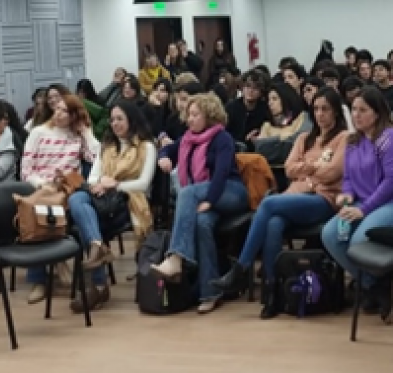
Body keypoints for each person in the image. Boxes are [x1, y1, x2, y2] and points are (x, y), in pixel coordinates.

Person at [211, 87, 350, 318]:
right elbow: (288, 168)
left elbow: (334, 172)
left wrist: (305, 171)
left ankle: (241, 269)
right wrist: (313, 170)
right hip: (294, 198)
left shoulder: (343, 138)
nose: (320, 113)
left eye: (325, 108)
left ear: (336, 111)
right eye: (315, 108)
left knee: (267, 205)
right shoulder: (305, 138)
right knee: (274, 222)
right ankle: (272, 294)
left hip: (323, 201)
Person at [320, 87, 393, 321]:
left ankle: (376, 283)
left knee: (359, 240)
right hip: (364, 202)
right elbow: (348, 178)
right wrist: (346, 196)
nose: (356, 115)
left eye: (362, 110)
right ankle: (375, 282)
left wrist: (363, 209)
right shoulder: (354, 141)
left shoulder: (391, 138)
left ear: (377, 113)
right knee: (330, 234)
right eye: (353, 109)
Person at [152, 94, 250, 314]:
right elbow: (167, 149)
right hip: (202, 196)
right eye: (189, 115)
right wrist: (163, 157)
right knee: (202, 223)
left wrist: (209, 200)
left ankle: (176, 257)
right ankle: (210, 292)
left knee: (186, 193)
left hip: (230, 192)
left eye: (195, 115)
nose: (190, 119)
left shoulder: (222, 138)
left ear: (210, 115)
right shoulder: (187, 139)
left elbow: (222, 174)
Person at [62, 101, 158, 314]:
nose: (115, 123)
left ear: (131, 120)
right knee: (77, 200)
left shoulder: (146, 147)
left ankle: (98, 286)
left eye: (120, 119)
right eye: (112, 119)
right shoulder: (107, 147)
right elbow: (93, 177)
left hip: (128, 203)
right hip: (103, 201)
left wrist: (115, 184)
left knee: (83, 217)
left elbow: (144, 184)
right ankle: (98, 248)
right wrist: (100, 184)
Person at [19, 94, 101, 305]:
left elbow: (97, 158)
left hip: (68, 189)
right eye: (57, 109)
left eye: (65, 111)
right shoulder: (38, 133)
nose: (58, 113)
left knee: (80, 209)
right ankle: (38, 280)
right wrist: (42, 184)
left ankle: (96, 276)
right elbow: (25, 170)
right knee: (38, 210)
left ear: (75, 115)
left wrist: (86, 132)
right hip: (42, 188)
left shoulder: (77, 136)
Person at [225, 71, 271, 143]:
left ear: (261, 91)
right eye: (247, 86)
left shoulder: (265, 110)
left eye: (255, 88)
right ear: (242, 88)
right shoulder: (231, 107)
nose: (250, 91)